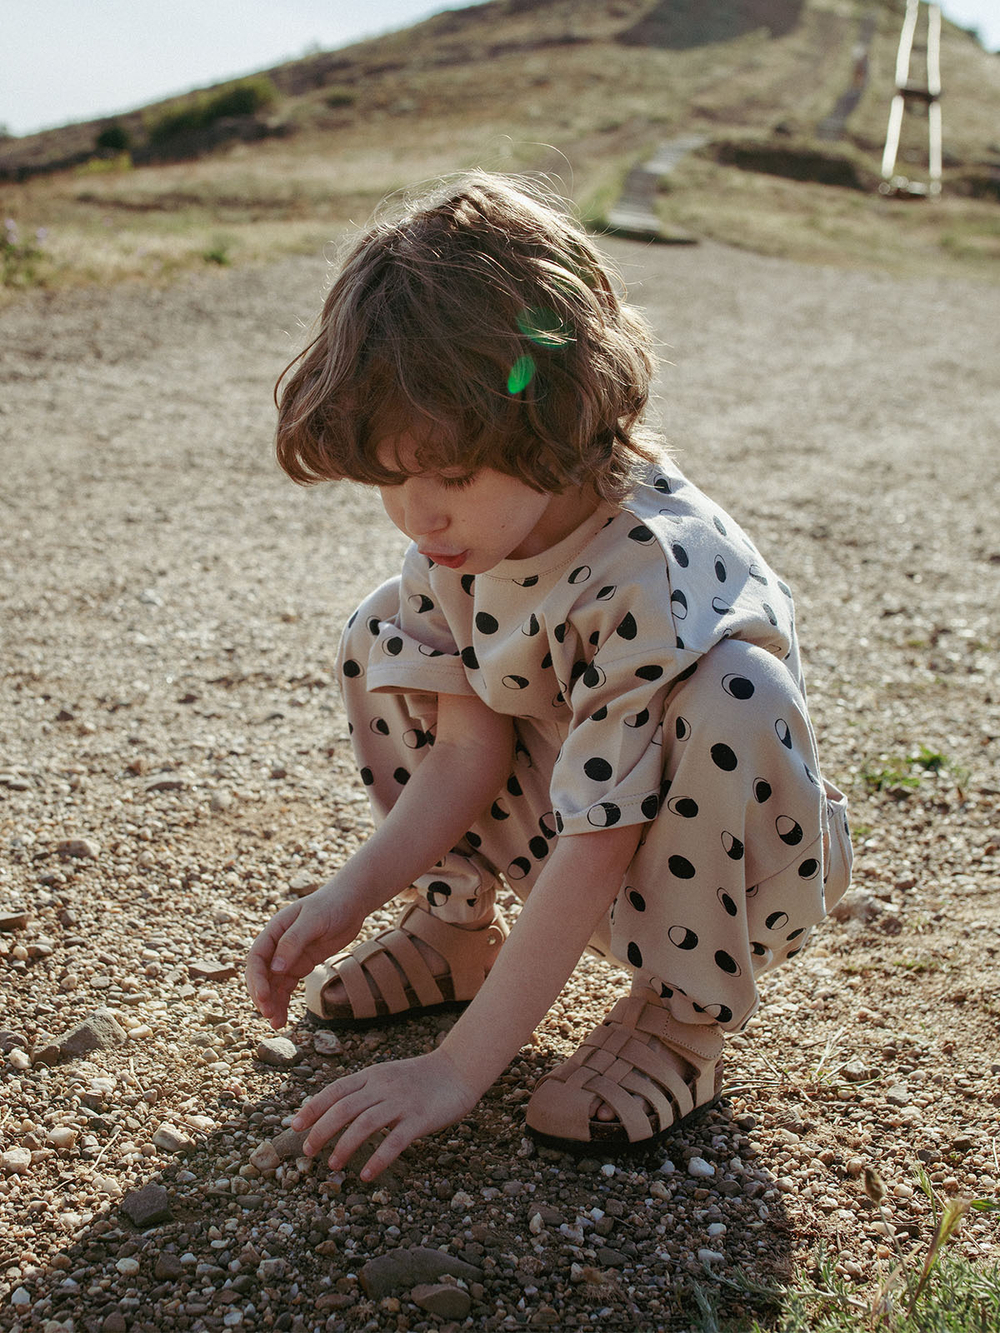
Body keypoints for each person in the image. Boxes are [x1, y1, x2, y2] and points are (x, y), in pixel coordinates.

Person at [245, 171, 852, 1182]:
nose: (419, 514)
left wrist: (455, 1070)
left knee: (735, 691)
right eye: (394, 477)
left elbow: (602, 838)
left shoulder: (649, 568)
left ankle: (679, 1018)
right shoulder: (464, 540)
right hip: (572, 811)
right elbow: (465, 752)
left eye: (451, 474)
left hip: (715, 867)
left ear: (559, 420)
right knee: (383, 629)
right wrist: (347, 896)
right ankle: (454, 928)